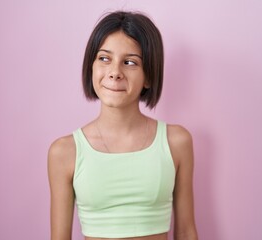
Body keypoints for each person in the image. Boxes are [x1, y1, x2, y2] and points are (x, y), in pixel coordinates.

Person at [48, 11, 198, 240]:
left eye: (130, 62)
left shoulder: (176, 142)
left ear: (149, 77)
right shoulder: (64, 152)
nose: (115, 72)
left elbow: (186, 232)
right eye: (104, 58)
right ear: (91, 67)